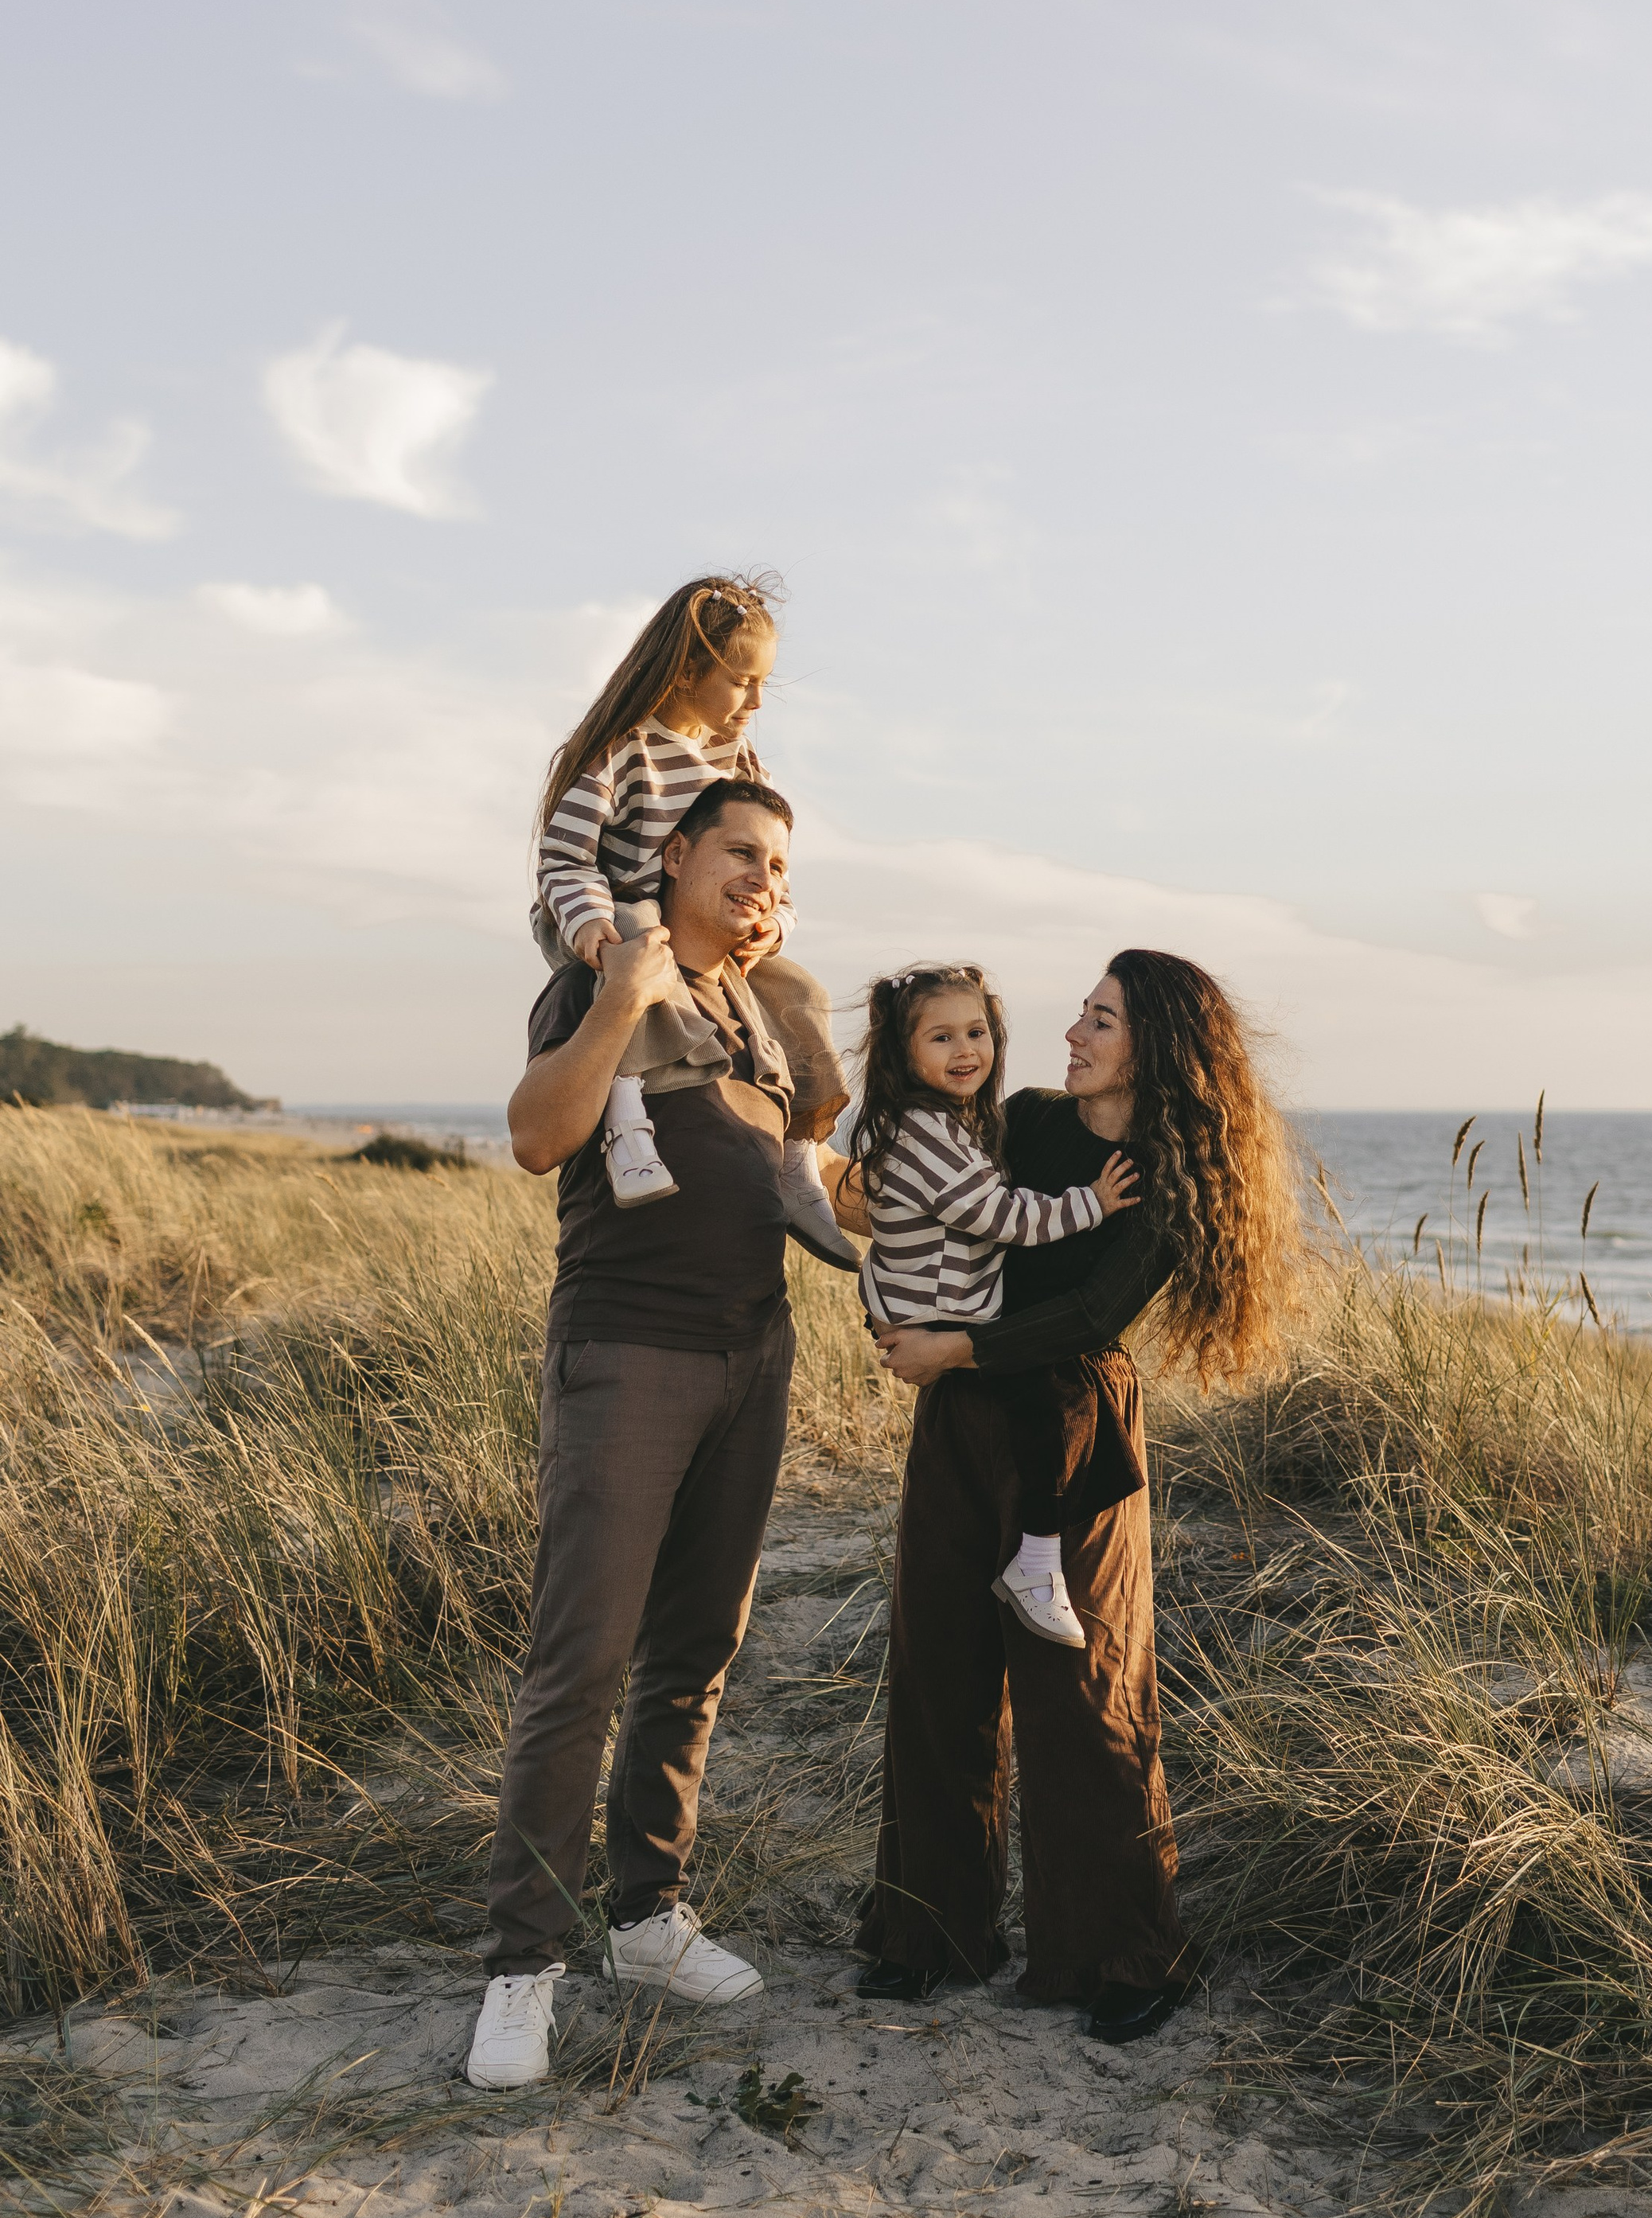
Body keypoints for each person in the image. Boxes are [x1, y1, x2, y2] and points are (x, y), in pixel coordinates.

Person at [467, 777, 851, 2090]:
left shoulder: (760, 1011)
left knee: (696, 1650)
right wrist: (625, 995)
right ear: (674, 853)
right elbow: (537, 1136)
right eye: (741, 852)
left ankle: (644, 1917)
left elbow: (798, 1181)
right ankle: (524, 1966)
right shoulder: (604, 976)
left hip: (756, 1354)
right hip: (629, 1353)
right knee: (582, 1662)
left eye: (780, 867)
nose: (763, 880)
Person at [852, 949, 1303, 2045]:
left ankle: (1121, 1954)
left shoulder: (1168, 1167)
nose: (1072, 1032)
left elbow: (1093, 1315)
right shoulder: (1027, 1120)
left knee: (1086, 1696)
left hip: (1072, 1432)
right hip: (961, 1422)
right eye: (1082, 1013)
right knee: (937, 1673)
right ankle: (928, 1934)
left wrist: (956, 1348)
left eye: (1101, 1019)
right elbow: (936, 1209)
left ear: (1156, 1046)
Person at [533, 571, 855, 1265]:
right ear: (685, 673)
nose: (757, 702)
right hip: (613, 914)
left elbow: (770, 863)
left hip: (704, 937)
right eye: (742, 682)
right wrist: (590, 923)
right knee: (643, 957)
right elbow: (564, 857)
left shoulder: (738, 760)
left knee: (801, 992)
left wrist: (775, 922)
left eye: (763, 684)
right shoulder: (622, 751)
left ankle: (799, 1154)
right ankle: (627, 1125)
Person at [853, 963, 1141, 1647]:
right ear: (904, 1055)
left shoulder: (957, 1124)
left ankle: (1037, 1563)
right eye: (941, 1037)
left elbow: (1094, 1311)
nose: (966, 1050)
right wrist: (1092, 1204)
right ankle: (1036, 1564)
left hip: (957, 1324)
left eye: (976, 1032)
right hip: (947, 1326)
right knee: (1045, 1406)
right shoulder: (952, 1129)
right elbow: (1003, 1216)